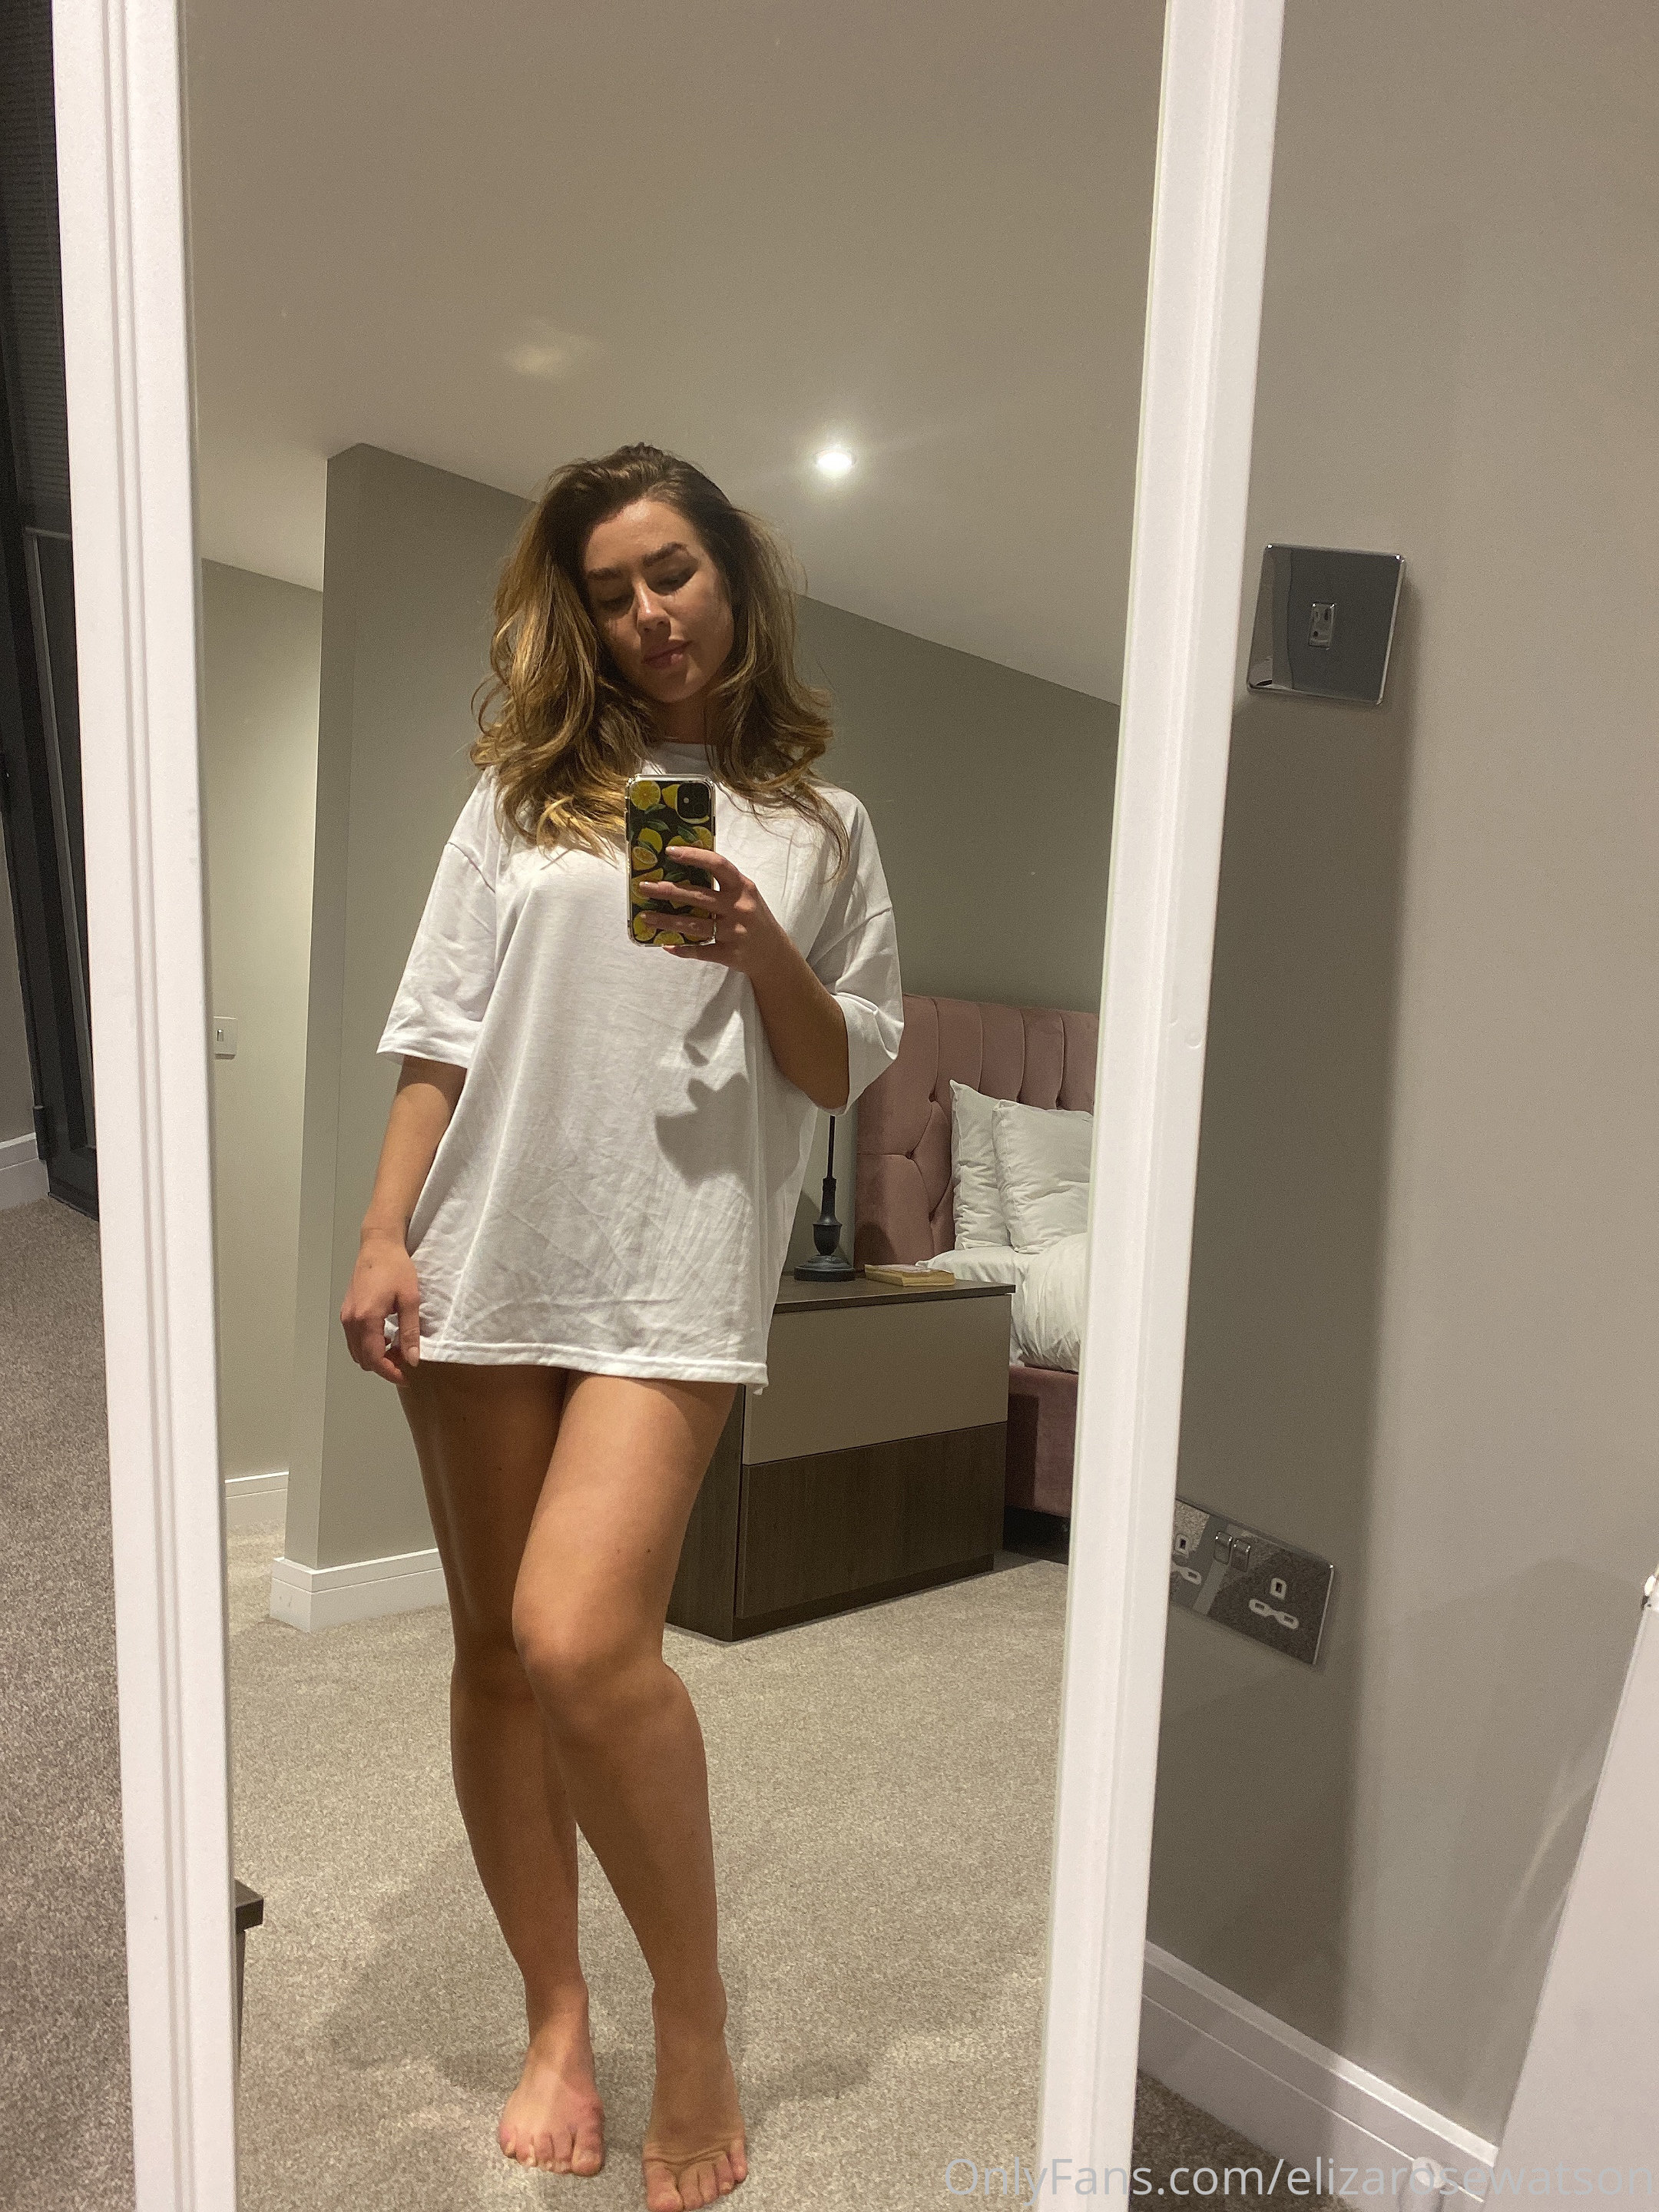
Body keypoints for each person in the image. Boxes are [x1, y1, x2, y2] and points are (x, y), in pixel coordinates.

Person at [338, 443, 903, 2211]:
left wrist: (763, 949)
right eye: (609, 591)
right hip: (488, 1250)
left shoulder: (822, 828)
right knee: (496, 1656)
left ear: (732, 575)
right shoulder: (524, 798)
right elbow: (440, 1033)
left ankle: (694, 2018)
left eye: (673, 571)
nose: (648, 612)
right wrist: (383, 1232)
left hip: (673, 1264)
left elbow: (839, 1069)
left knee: (582, 1641)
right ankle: (556, 2018)